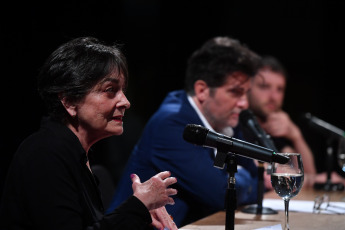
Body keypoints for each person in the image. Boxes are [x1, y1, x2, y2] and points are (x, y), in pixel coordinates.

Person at [0, 37, 178, 230]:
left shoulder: (71, 151)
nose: (126, 102)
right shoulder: (44, 154)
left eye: (123, 91)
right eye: (110, 90)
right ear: (69, 101)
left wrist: (139, 214)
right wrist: (138, 206)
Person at [107, 36, 262, 227]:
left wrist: (245, 178)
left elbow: (257, 176)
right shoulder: (172, 124)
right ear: (202, 90)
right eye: (235, 92)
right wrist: (243, 176)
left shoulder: (225, 120)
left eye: (246, 93)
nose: (244, 103)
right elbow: (222, 194)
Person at [245, 55, 345, 188]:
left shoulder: (278, 128)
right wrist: (312, 180)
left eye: (279, 89)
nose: (273, 96)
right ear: (248, 88)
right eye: (264, 87)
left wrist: (295, 135)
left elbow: (309, 171)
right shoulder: (240, 124)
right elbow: (271, 179)